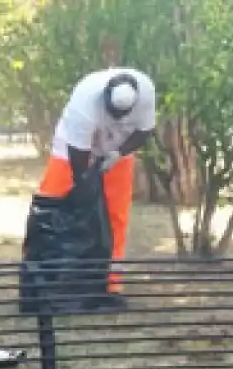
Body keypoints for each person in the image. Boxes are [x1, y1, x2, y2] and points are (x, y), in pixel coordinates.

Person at [37, 67, 157, 303]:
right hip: (71, 151)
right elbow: (78, 154)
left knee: (115, 217)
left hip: (116, 150)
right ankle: (48, 281)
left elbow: (144, 131)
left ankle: (109, 285)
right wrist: (85, 185)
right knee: (53, 208)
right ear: (105, 98)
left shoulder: (146, 92)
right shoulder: (86, 99)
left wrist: (118, 154)